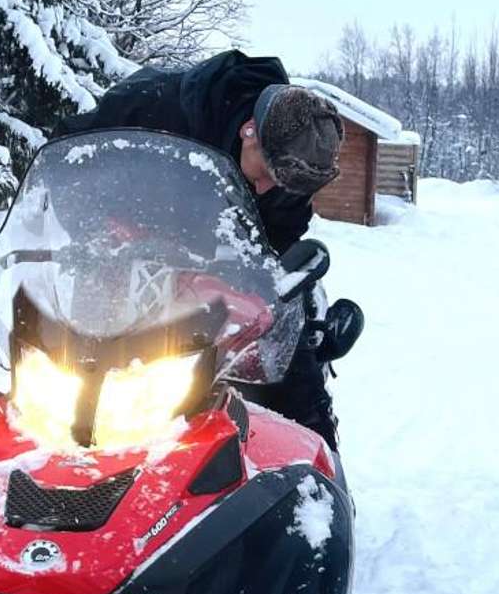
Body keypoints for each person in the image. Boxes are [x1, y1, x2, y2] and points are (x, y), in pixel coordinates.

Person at [56, 50, 347, 445]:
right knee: (67, 382)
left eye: (281, 185)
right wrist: (94, 230)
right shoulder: (150, 103)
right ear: (249, 131)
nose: (267, 190)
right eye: (265, 174)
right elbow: (66, 162)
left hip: (209, 284)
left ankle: (314, 462)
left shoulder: (291, 166)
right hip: (117, 265)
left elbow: (280, 238)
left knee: (293, 382)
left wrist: (264, 284)